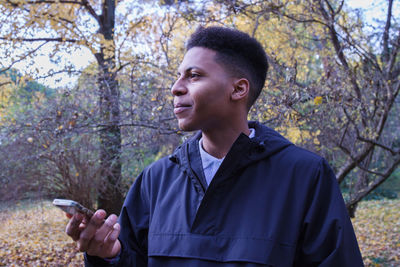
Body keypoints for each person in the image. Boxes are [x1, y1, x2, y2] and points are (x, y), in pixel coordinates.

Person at [66, 26, 364, 266]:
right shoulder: (155, 180)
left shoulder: (305, 176)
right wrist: (108, 256)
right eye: (178, 75)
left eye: (193, 75)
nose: (176, 87)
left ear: (238, 89)